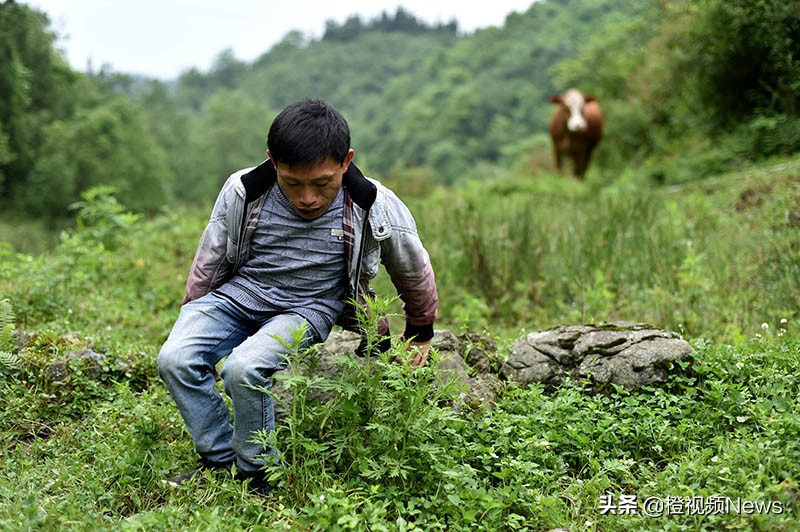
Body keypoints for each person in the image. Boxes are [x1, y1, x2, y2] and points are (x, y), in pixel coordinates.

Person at [157, 99, 438, 494]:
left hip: (309, 306)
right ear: (273, 161)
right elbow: (211, 257)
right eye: (293, 183)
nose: (308, 197)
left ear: (346, 161)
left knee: (243, 368)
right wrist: (193, 320)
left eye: (322, 183)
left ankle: (258, 473)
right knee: (175, 358)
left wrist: (420, 329)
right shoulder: (244, 190)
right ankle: (220, 460)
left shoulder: (372, 202)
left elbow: (412, 265)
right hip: (241, 293)